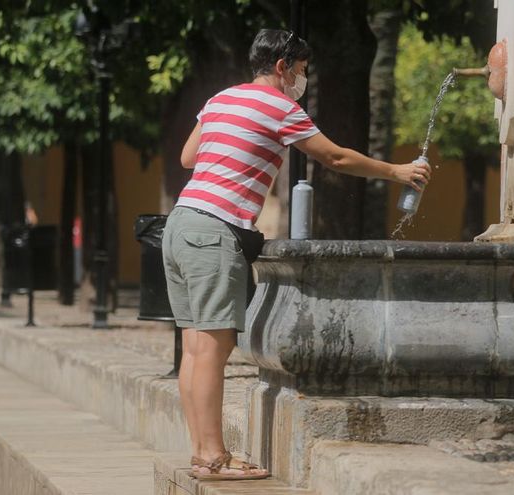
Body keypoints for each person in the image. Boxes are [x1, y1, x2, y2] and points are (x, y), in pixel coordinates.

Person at [163, 29, 431, 481]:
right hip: (215, 229)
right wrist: (397, 171)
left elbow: (189, 157)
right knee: (214, 347)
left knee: (195, 348)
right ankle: (213, 458)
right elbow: (336, 159)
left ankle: (202, 453)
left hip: (182, 223)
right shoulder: (280, 106)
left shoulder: (222, 98)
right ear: (284, 67)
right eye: (302, 70)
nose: (302, 80)